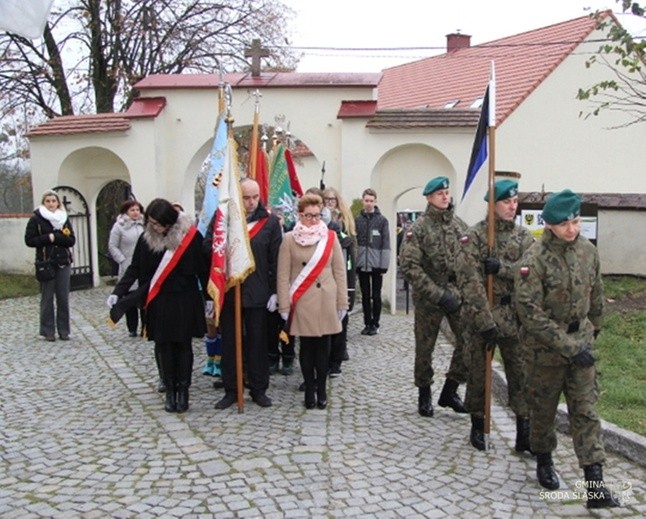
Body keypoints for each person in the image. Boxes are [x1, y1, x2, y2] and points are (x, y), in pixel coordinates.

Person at [514, 189, 619, 509]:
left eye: (576, 222)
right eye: (565, 224)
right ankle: (544, 459)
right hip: (546, 351)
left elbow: (597, 294)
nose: (572, 229)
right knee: (543, 410)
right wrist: (570, 347)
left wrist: (593, 330)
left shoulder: (588, 251)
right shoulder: (534, 259)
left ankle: (595, 482)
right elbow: (530, 314)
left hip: (581, 343)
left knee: (586, 411)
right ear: (549, 225)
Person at [107, 198, 206, 413]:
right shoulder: (147, 239)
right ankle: (170, 390)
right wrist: (118, 292)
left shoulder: (191, 237)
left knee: (183, 345)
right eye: (150, 222)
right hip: (159, 300)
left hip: (184, 298)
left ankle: (183, 390)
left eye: (157, 223)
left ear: (169, 221)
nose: (154, 227)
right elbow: (135, 268)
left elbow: (203, 270)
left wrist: (209, 299)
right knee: (163, 346)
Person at [456, 179, 534, 451]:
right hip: (483, 314)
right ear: (492, 205)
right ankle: (478, 423)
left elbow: (530, 274)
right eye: (506, 202)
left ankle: (525, 430)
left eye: (515, 202)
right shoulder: (474, 236)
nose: (512, 207)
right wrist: (484, 320)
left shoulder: (524, 237)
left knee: (521, 374)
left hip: (513, 315)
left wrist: (501, 268)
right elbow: (469, 280)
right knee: (478, 372)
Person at [398, 176, 468, 418]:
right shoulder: (418, 229)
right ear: (429, 197)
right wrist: (437, 294)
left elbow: (470, 258)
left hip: (456, 293)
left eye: (447, 192)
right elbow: (409, 266)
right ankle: (424, 392)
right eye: (440, 193)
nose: (445, 197)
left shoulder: (459, 226)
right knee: (424, 347)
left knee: (468, 342)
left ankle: (450, 390)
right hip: (429, 296)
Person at [211, 178, 282, 410]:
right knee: (230, 343)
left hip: (259, 294)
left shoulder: (269, 223)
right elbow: (210, 251)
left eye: (255, 197)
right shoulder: (224, 220)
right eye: (245, 197)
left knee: (257, 344)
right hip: (231, 292)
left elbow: (276, 259)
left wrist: (274, 292)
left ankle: (259, 388)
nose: (251, 202)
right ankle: (232, 389)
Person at [277, 193, 348, 409]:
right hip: (303, 300)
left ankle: (321, 388)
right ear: (300, 215)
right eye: (309, 216)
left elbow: (339, 271)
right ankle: (309, 388)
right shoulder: (289, 239)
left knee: (324, 348)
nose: (314, 220)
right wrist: (284, 305)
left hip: (326, 298)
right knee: (307, 348)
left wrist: (342, 302)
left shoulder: (330, 237)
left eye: (317, 215)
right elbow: (282, 274)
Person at [25, 189, 76, 342]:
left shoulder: (64, 218)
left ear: (58, 203)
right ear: (44, 203)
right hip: (46, 262)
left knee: (63, 297)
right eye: (48, 201)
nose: (51, 204)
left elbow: (71, 240)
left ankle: (64, 331)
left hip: (63, 261)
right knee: (47, 298)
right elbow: (29, 240)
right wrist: (48, 237)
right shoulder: (36, 219)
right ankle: (48, 331)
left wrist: (57, 238)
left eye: (53, 201)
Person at [323, 186, 357, 375]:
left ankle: (337, 357)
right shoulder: (319, 220)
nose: (329, 202)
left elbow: (350, 248)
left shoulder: (345, 224)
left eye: (332, 199)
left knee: (341, 319)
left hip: (343, 273)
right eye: (326, 199)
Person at [354, 188, 390, 335]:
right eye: (366, 200)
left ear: (375, 202)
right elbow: (355, 242)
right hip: (362, 262)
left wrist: (384, 266)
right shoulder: (358, 220)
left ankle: (375, 323)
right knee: (365, 295)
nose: (369, 203)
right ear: (363, 201)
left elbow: (386, 243)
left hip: (376, 263)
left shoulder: (382, 221)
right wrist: (356, 263)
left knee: (376, 295)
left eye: (371, 201)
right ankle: (367, 322)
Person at [108, 200, 145, 337]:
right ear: (126, 212)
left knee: (143, 295)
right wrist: (122, 260)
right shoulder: (119, 227)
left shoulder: (145, 225)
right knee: (130, 297)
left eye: (137, 210)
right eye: (132, 210)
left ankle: (145, 326)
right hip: (128, 265)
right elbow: (112, 246)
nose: (135, 213)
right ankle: (132, 327)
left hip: (143, 266)